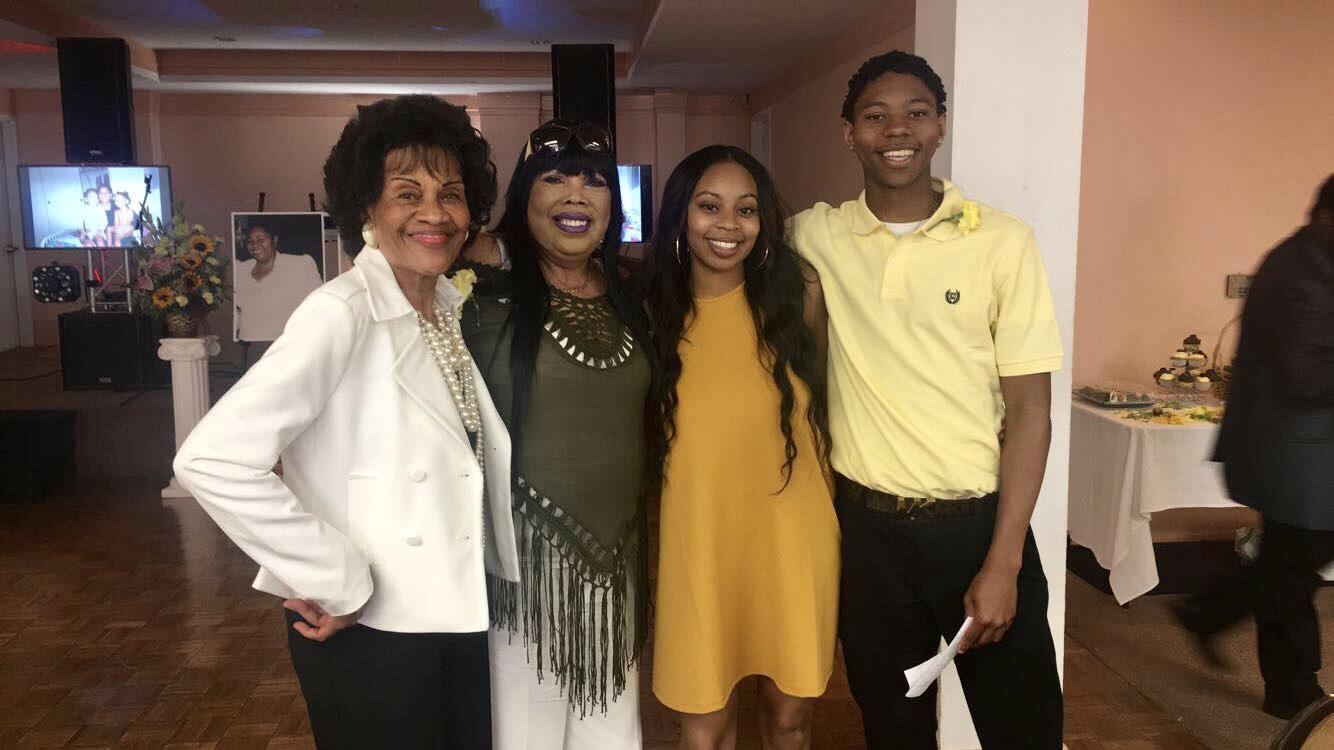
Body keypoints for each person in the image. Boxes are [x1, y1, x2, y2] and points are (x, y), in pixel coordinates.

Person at [173, 94, 517, 749]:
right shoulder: (342, 312)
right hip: (371, 631)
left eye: (451, 193)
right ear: (366, 205)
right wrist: (336, 580)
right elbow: (211, 459)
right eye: (406, 193)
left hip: (456, 610)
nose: (433, 213)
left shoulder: (444, 305)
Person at [788, 50, 1066, 748]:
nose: (896, 131)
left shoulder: (1002, 242)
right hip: (868, 536)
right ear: (847, 132)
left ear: (940, 126)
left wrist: (1003, 563)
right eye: (875, 116)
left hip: (977, 530)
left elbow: (1032, 411)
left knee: (1024, 729)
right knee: (892, 728)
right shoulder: (816, 235)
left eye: (916, 113)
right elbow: (716, 246)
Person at [453, 118, 653, 749]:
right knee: (527, 730)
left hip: (618, 561)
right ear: (524, 196)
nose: (575, 194)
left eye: (593, 182)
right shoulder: (479, 291)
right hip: (521, 570)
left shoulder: (632, 295)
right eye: (554, 179)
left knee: (613, 730)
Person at [647, 145, 838, 749]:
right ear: (681, 216)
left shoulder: (799, 297)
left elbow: (834, 408)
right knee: (703, 726)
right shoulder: (650, 315)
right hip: (697, 542)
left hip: (793, 535)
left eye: (746, 209)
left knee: (790, 720)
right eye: (709, 206)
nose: (728, 225)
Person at [1174, 175, 1334, 720]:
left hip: (1298, 452)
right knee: (1291, 570)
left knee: (1288, 567)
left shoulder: (1307, 258)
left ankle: (1211, 613)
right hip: (1295, 456)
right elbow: (1306, 378)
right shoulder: (1302, 279)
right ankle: (1294, 691)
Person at [233, 218, 326, 341]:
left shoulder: (300, 264)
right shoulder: (241, 269)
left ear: (274, 240)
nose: (254, 245)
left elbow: (317, 305)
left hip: (286, 343)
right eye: (250, 241)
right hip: (248, 345)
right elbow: (237, 312)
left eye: (260, 240)